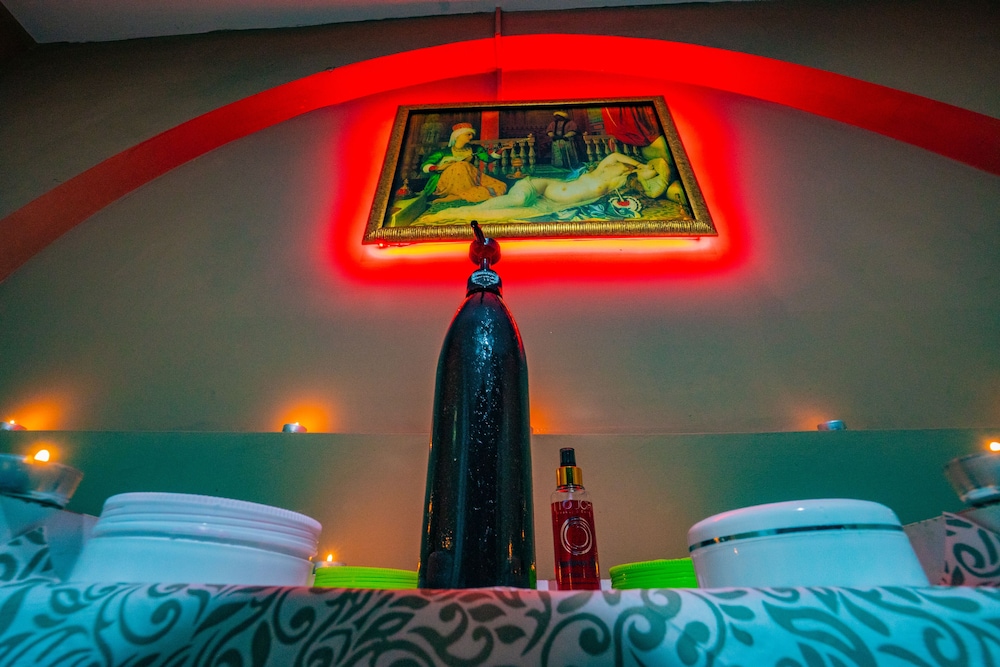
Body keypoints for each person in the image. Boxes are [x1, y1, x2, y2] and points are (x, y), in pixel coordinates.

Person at [419, 152, 668, 223]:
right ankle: (452, 212)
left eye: (649, 170)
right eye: (647, 167)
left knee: (504, 215)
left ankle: (449, 215)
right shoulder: (607, 168)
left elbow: (653, 185)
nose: (648, 170)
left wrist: (648, 171)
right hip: (541, 186)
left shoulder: (622, 184)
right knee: (516, 201)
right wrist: (640, 164)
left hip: (549, 204)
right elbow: (614, 155)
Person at [420, 123, 507, 203]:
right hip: (447, 182)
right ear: (458, 136)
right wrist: (438, 168)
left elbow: (488, 159)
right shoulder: (443, 152)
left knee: (500, 186)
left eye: (472, 134)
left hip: (470, 179)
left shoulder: (475, 149)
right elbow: (425, 165)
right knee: (460, 165)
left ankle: (458, 196)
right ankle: (454, 194)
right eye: (468, 134)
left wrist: (501, 150)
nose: (471, 137)